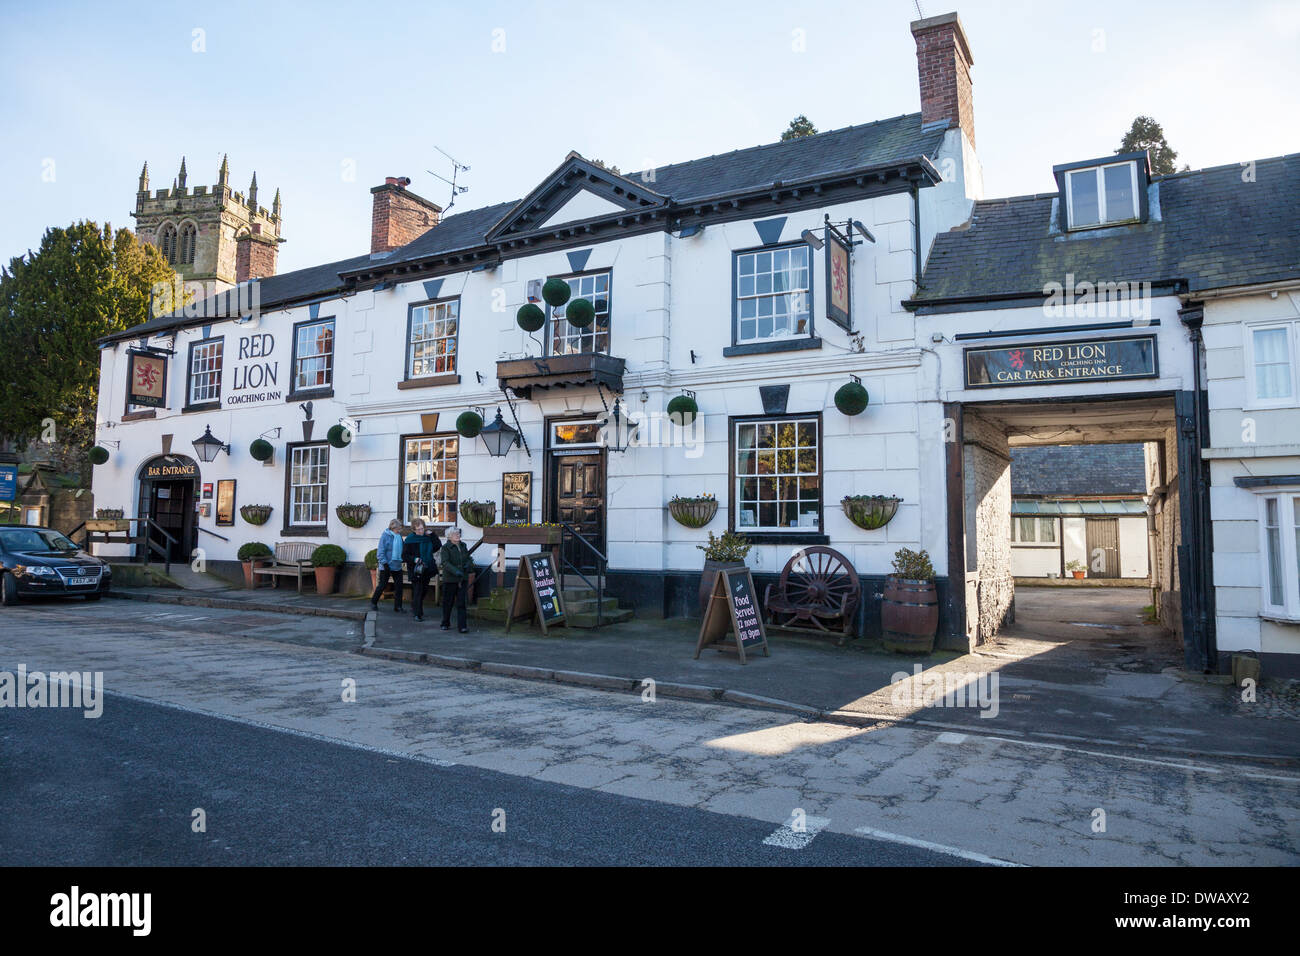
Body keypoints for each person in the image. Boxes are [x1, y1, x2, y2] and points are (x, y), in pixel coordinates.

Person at [402, 518, 441, 622]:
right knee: (418, 591)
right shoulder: (410, 540)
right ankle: (417, 614)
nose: (421, 531)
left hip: (427, 569)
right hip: (416, 569)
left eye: (422, 529)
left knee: (424, 590)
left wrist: (432, 534)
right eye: (418, 529)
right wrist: (414, 559)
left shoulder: (427, 538)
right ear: (414, 530)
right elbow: (404, 556)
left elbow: (437, 546)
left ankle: (415, 606)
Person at [439, 526, 473, 633]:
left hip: (462, 579)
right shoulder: (445, 548)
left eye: (458, 533)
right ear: (449, 536)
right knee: (447, 602)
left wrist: (468, 564)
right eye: (455, 534)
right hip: (450, 579)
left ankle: (462, 626)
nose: (458, 535)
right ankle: (445, 623)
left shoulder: (463, 545)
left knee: (462, 603)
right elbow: (445, 563)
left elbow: (468, 558)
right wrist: (455, 571)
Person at [370, 518, 406, 613]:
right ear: (392, 528)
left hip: (397, 565)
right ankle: (373, 602)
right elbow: (380, 552)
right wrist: (385, 564)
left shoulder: (399, 537)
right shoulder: (385, 536)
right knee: (382, 585)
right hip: (386, 565)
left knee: (399, 586)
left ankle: (398, 607)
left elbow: (402, 550)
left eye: (400, 529)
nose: (399, 531)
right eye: (398, 529)